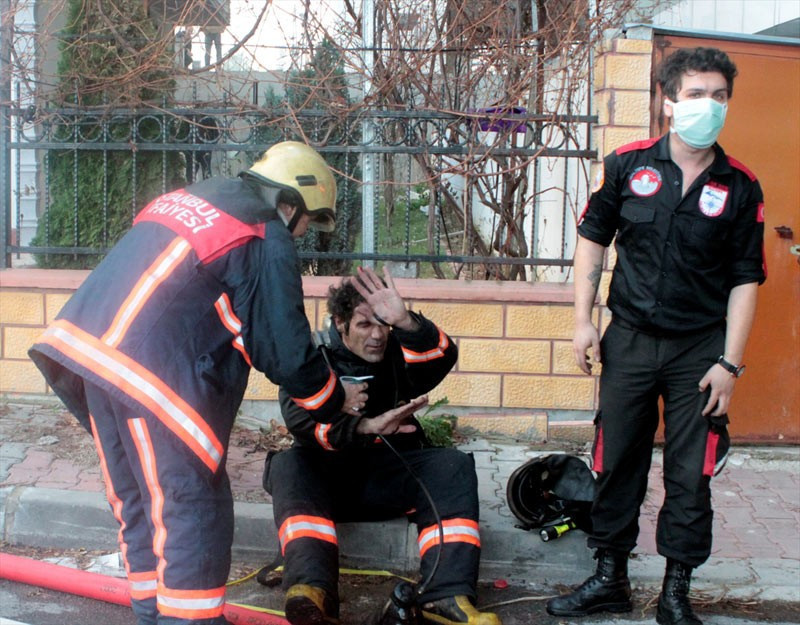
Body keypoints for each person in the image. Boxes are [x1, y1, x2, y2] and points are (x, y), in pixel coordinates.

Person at [28, 141, 366, 625]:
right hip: (156, 378)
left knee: (144, 510)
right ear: (289, 202)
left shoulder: (198, 196)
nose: (303, 232)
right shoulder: (263, 229)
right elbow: (284, 348)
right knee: (193, 514)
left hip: (91, 360)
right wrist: (335, 398)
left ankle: (153, 616)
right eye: (308, 220)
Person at [546, 47, 766, 625]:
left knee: (692, 473)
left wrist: (730, 364)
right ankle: (609, 578)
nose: (709, 106)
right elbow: (592, 240)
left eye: (719, 96)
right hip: (632, 341)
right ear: (668, 102)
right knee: (616, 460)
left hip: (700, 349)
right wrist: (582, 320)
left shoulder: (741, 186)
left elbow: (746, 279)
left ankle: (676, 591)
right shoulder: (627, 165)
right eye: (696, 94)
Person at [262, 265, 501, 625]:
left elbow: (441, 358)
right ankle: (314, 592)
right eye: (365, 325)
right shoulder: (312, 359)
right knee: (289, 464)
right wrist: (364, 426)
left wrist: (406, 322)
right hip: (329, 486)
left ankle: (444, 596)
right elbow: (302, 424)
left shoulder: (397, 350)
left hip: (389, 479)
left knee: (451, 465)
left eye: (383, 324)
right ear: (340, 324)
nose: (378, 335)